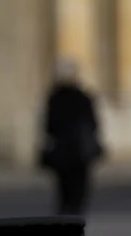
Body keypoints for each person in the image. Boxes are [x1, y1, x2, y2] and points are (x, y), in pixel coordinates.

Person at [39, 59, 104, 216]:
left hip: (63, 155)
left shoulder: (55, 99)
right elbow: (94, 124)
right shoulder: (83, 98)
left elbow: (48, 127)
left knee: (65, 194)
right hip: (80, 153)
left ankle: (66, 222)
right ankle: (75, 222)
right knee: (79, 195)